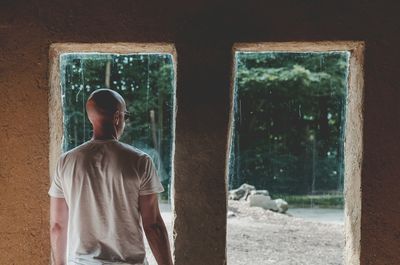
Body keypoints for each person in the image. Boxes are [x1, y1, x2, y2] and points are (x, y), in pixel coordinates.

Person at [49, 89, 173, 265]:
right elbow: (153, 226)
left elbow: (57, 226)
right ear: (117, 117)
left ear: (91, 118)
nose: (125, 120)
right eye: (125, 115)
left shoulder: (66, 162)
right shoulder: (140, 161)